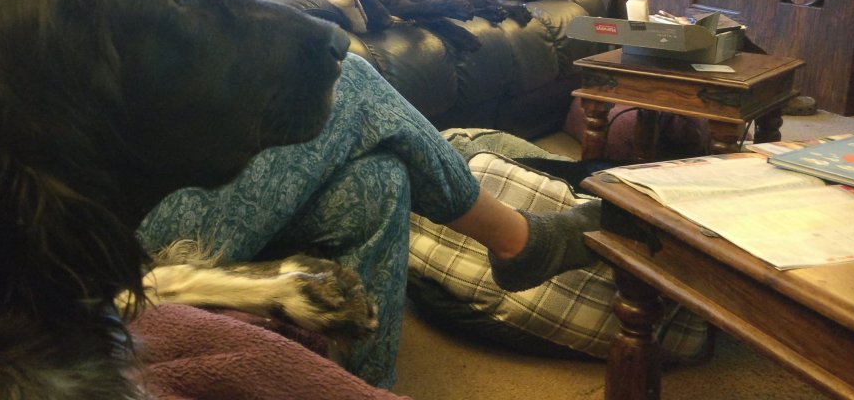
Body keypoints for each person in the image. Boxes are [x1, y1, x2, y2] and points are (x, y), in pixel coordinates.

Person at [138, 53, 600, 388]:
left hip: (144, 182)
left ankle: (362, 386)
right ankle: (519, 241)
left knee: (378, 179)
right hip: (116, 244)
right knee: (348, 77)